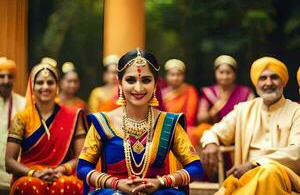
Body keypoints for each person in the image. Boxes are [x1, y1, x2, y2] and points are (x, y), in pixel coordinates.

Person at [77, 49, 204, 195]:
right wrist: (116, 183)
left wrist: (161, 182)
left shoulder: (168, 122)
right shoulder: (103, 122)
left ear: (156, 84)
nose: (138, 88)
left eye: (146, 80)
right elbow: (82, 168)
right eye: (130, 80)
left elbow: (196, 168)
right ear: (120, 83)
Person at [201, 57, 300, 194]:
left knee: (269, 172)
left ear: (283, 81)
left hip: (283, 177)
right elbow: (214, 131)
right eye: (263, 78)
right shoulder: (243, 110)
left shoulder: (296, 111)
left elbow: (297, 150)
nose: (268, 83)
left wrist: (254, 164)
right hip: (246, 177)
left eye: (274, 77)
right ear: (256, 82)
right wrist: (211, 143)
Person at [6, 58, 87, 195]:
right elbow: (9, 162)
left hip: (62, 174)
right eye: (39, 83)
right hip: (29, 174)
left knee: (67, 184)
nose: (45, 87)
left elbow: (82, 157)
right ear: (32, 86)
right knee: (30, 185)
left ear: (57, 86)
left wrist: (61, 170)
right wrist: (34, 173)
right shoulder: (21, 118)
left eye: (50, 82)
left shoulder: (73, 116)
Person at [194, 55, 254, 142]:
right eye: (221, 72)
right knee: (200, 131)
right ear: (215, 73)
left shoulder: (246, 93)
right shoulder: (209, 92)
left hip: (239, 131)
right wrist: (214, 110)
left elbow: (253, 116)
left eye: (228, 72)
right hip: (216, 132)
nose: (225, 76)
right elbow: (201, 118)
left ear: (234, 74)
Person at [0, 57, 26, 194]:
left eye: (9, 76)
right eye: (1, 76)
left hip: (15, 177)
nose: (5, 81)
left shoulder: (23, 103)